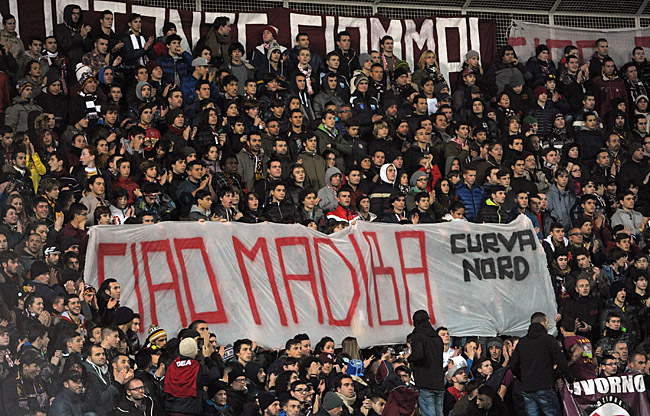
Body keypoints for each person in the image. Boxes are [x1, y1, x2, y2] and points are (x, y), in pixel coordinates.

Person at [509, 312, 573, 416]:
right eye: (547, 323)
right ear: (543, 323)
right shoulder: (549, 340)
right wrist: (570, 379)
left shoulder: (522, 342)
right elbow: (561, 362)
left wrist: (522, 378)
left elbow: (512, 365)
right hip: (545, 386)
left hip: (527, 388)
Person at [408, 309, 444, 416]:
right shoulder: (437, 338)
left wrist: (409, 359)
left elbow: (418, 354)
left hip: (425, 382)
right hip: (439, 382)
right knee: (439, 413)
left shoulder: (417, 336)